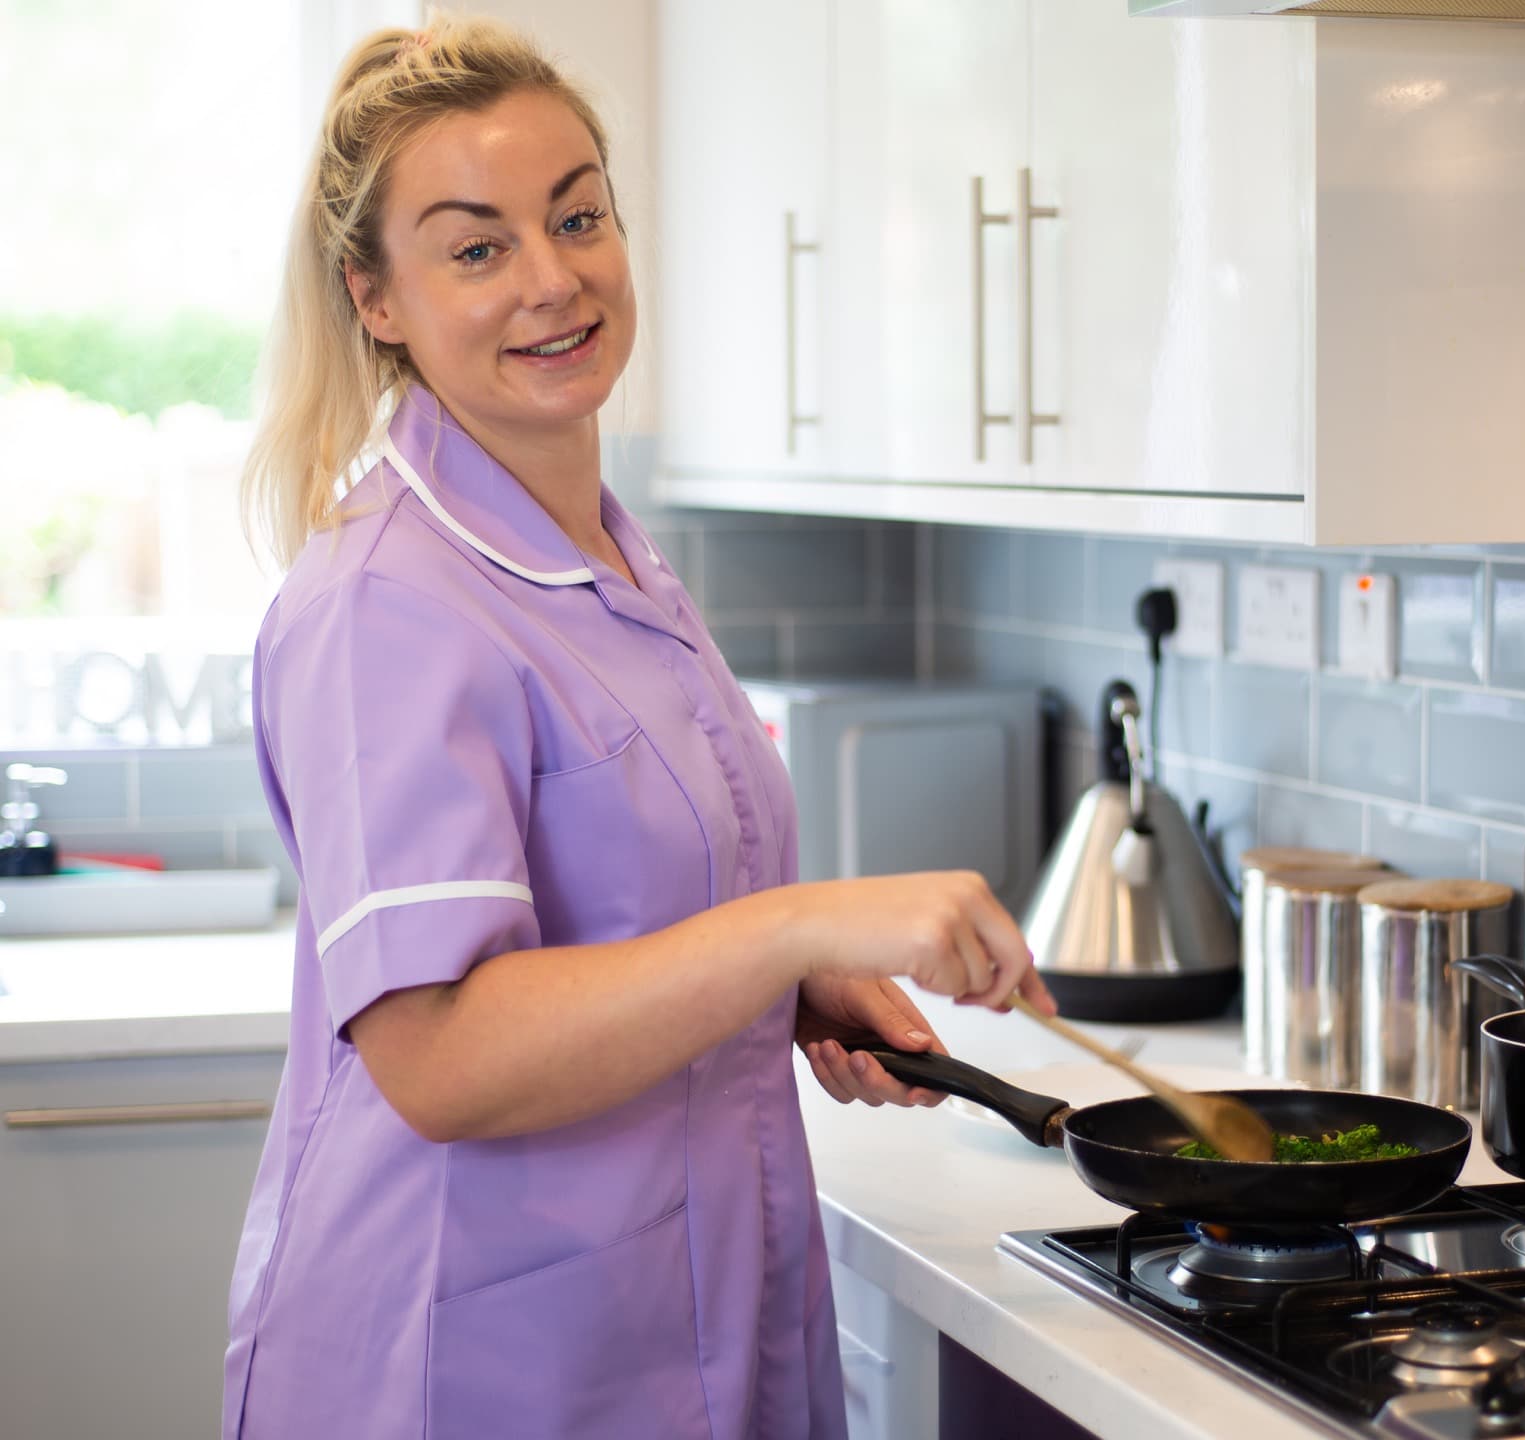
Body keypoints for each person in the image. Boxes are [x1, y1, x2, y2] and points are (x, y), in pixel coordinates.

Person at [225, 17, 1051, 1439]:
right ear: (377, 298)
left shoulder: (610, 561)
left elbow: (614, 916)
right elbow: (442, 1050)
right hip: (478, 1362)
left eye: (579, 215)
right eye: (477, 247)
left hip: (675, 1315)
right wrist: (797, 934)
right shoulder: (389, 603)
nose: (555, 279)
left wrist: (779, 994)